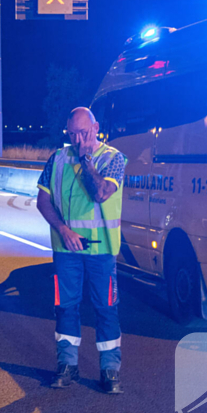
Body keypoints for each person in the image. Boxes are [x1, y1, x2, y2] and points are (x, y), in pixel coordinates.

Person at [36, 107, 128, 394]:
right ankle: (67, 366)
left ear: (96, 127)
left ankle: (110, 371)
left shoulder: (114, 159)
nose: (77, 139)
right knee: (65, 307)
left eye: (83, 132)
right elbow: (42, 201)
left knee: (106, 309)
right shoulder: (57, 159)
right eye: (72, 134)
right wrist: (63, 229)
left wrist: (86, 159)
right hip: (67, 248)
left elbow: (100, 192)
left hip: (102, 251)